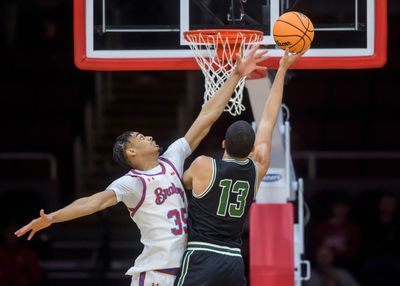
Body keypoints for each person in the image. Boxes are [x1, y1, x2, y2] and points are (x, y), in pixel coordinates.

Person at [14, 45, 267, 286]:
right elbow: (93, 202)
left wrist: (236, 75)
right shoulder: (131, 182)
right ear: (131, 151)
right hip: (155, 273)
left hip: (187, 270)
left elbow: (206, 117)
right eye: (141, 137)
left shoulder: (173, 159)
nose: (149, 137)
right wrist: (53, 218)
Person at [174, 49, 303, 286]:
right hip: (233, 261)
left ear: (223, 143)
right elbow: (268, 120)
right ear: (253, 148)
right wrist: (282, 68)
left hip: (201, 255)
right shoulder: (257, 168)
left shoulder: (203, 166)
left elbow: (176, 186)